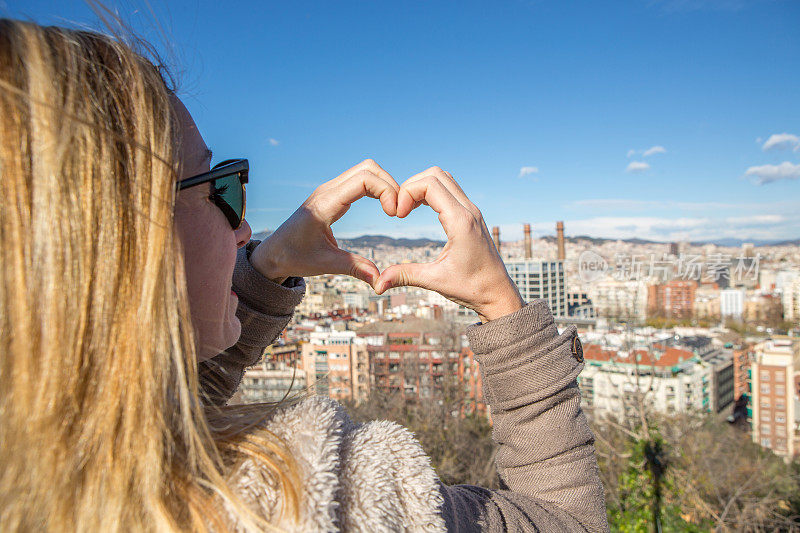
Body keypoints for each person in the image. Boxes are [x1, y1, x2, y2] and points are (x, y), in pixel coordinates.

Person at [0, 18, 608, 532]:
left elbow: (155, 417)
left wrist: (263, 271)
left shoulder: (45, 475)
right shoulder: (306, 500)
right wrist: (502, 307)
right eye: (222, 187)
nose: (244, 228)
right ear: (119, 239)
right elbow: (565, 521)